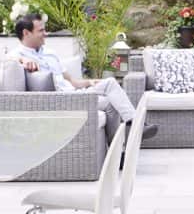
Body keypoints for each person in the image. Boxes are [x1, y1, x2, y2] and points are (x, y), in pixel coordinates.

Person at [10, 15, 159, 139]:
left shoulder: (50, 53)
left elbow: (72, 82)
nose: (46, 33)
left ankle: (121, 146)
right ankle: (136, 125)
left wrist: (89, 82)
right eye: (41, 30)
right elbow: (6, 61)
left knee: (110, 94)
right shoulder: (17, 55)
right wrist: (23, 60)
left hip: (74, 94)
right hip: (58, 100)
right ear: (26, 33)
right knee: (110, 91)